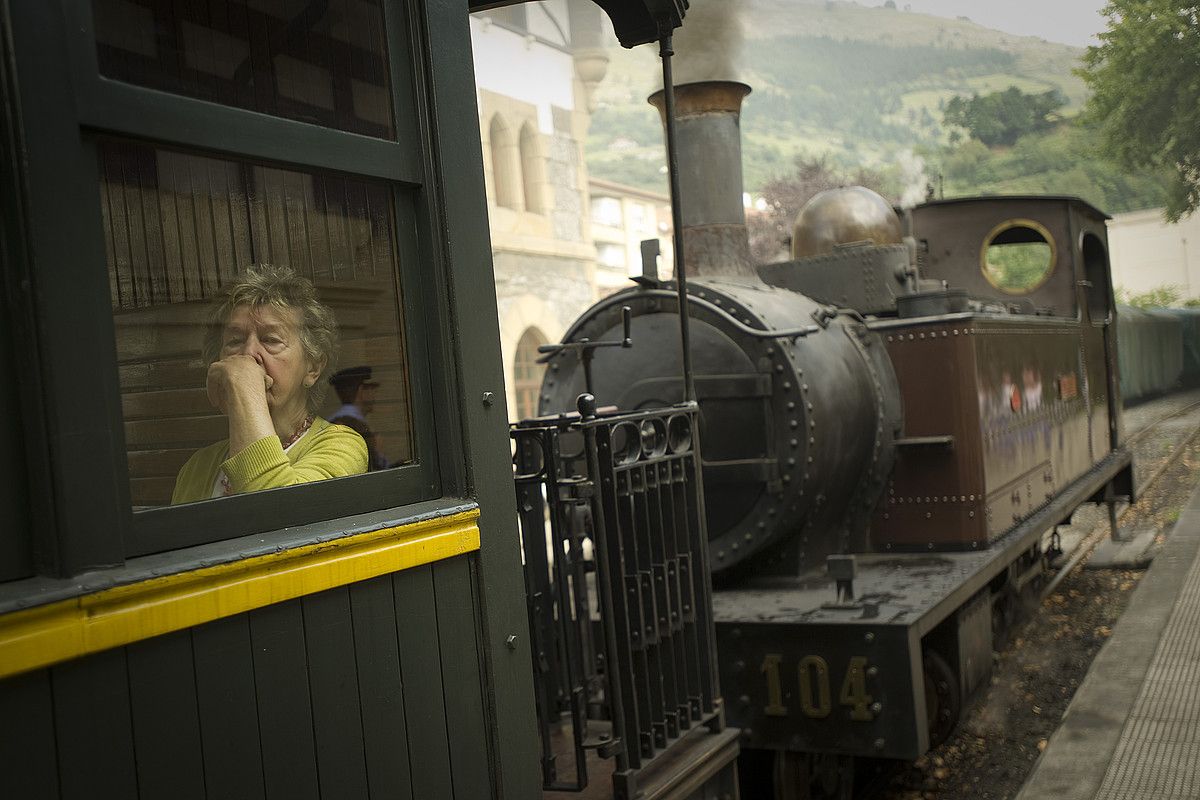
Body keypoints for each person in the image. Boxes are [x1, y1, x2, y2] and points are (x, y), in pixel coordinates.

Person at [171, 265, 367, 504]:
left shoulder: (342, 446)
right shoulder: (198, 466)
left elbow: (277, 514)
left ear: (313, 367)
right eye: (235, 341)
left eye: (271, 340)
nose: (249, 354)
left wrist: (247, 388)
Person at [328, 366, 389, 471]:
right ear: (361, 391)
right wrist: (378, 453)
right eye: (372, 389)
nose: (375, 395)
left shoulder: (333, 422)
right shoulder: (351, 425)